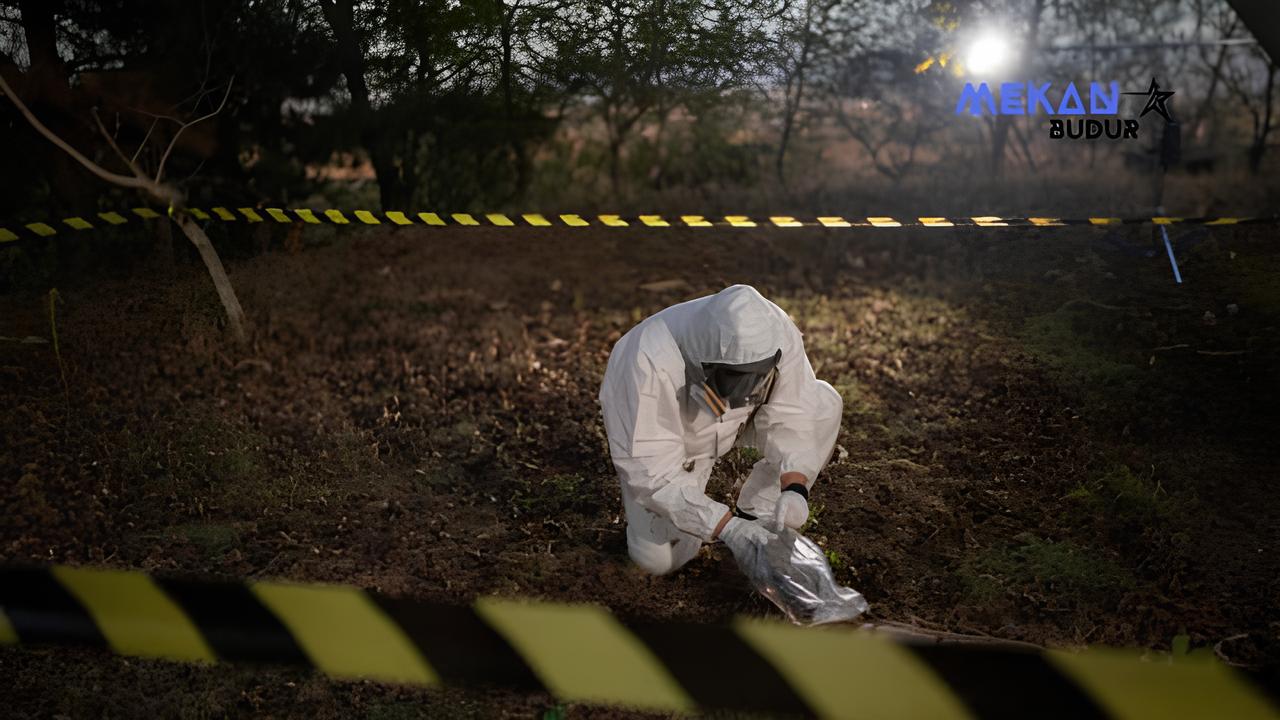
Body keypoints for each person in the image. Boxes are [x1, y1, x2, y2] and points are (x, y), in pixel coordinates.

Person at [599, 284, 843, 575]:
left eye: (757, 376)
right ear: (704, 361)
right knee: (660, 562)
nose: (745, 390)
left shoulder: (776, 332)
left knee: (824, 405)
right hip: (682, 440)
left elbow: (795, 412)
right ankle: (695, 524)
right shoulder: (645, 359)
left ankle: (759, 515)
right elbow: (652, 474)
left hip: (738, 424)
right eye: (733, 379)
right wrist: (725, 526)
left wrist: (795, 486)